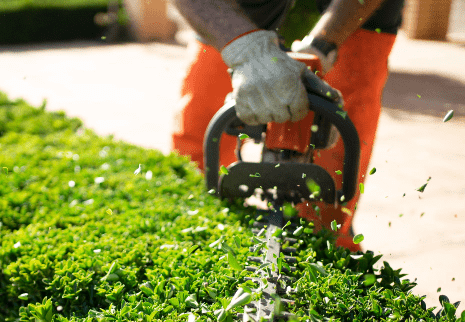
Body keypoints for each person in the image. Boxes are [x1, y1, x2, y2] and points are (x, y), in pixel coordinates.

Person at [171, 0, 405, 251]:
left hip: (354, 14)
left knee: (330, 199)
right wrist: (246, 50)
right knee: (197, 148)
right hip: (237, 9)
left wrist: (323, 45)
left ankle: (326, 243)